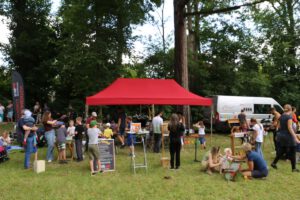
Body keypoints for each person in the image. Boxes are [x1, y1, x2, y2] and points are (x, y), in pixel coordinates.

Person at [271, 104, 300, 172]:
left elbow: (279, 126)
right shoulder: (289, 117)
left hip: (281, 135)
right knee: (293, 151)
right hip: (288, 136)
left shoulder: (282, 116)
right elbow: (290, 128)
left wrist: (278, 134)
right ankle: (294, 168)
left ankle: (274, 163)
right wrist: (295, 137)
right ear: (291, 110)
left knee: (283, 150)